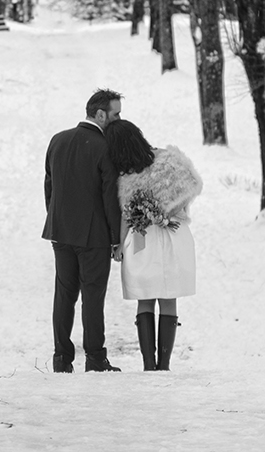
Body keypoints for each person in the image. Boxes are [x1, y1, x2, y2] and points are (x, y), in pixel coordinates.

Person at [106, 119, 201, 371]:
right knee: (169, 295)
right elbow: (193, 185)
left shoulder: (126, 176)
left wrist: (118, 245)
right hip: (174, 233)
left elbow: (126, 215)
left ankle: (149, 364)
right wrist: (169, 208)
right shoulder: (169, 160)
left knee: (144, 296)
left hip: (141, 236)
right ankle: (165, 364)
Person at [42, 88, 124, 373]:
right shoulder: (104, 148)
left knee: (64, 294)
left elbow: (49, 186)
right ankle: (95, 358)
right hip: (95, 236)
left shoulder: (58, 140)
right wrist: (116, 239)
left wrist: (56, 219)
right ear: (100, 114)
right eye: (115, 115)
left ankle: (61, 358)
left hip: (60, 232)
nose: (118, 120)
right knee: (93, 295)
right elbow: (109, 197)